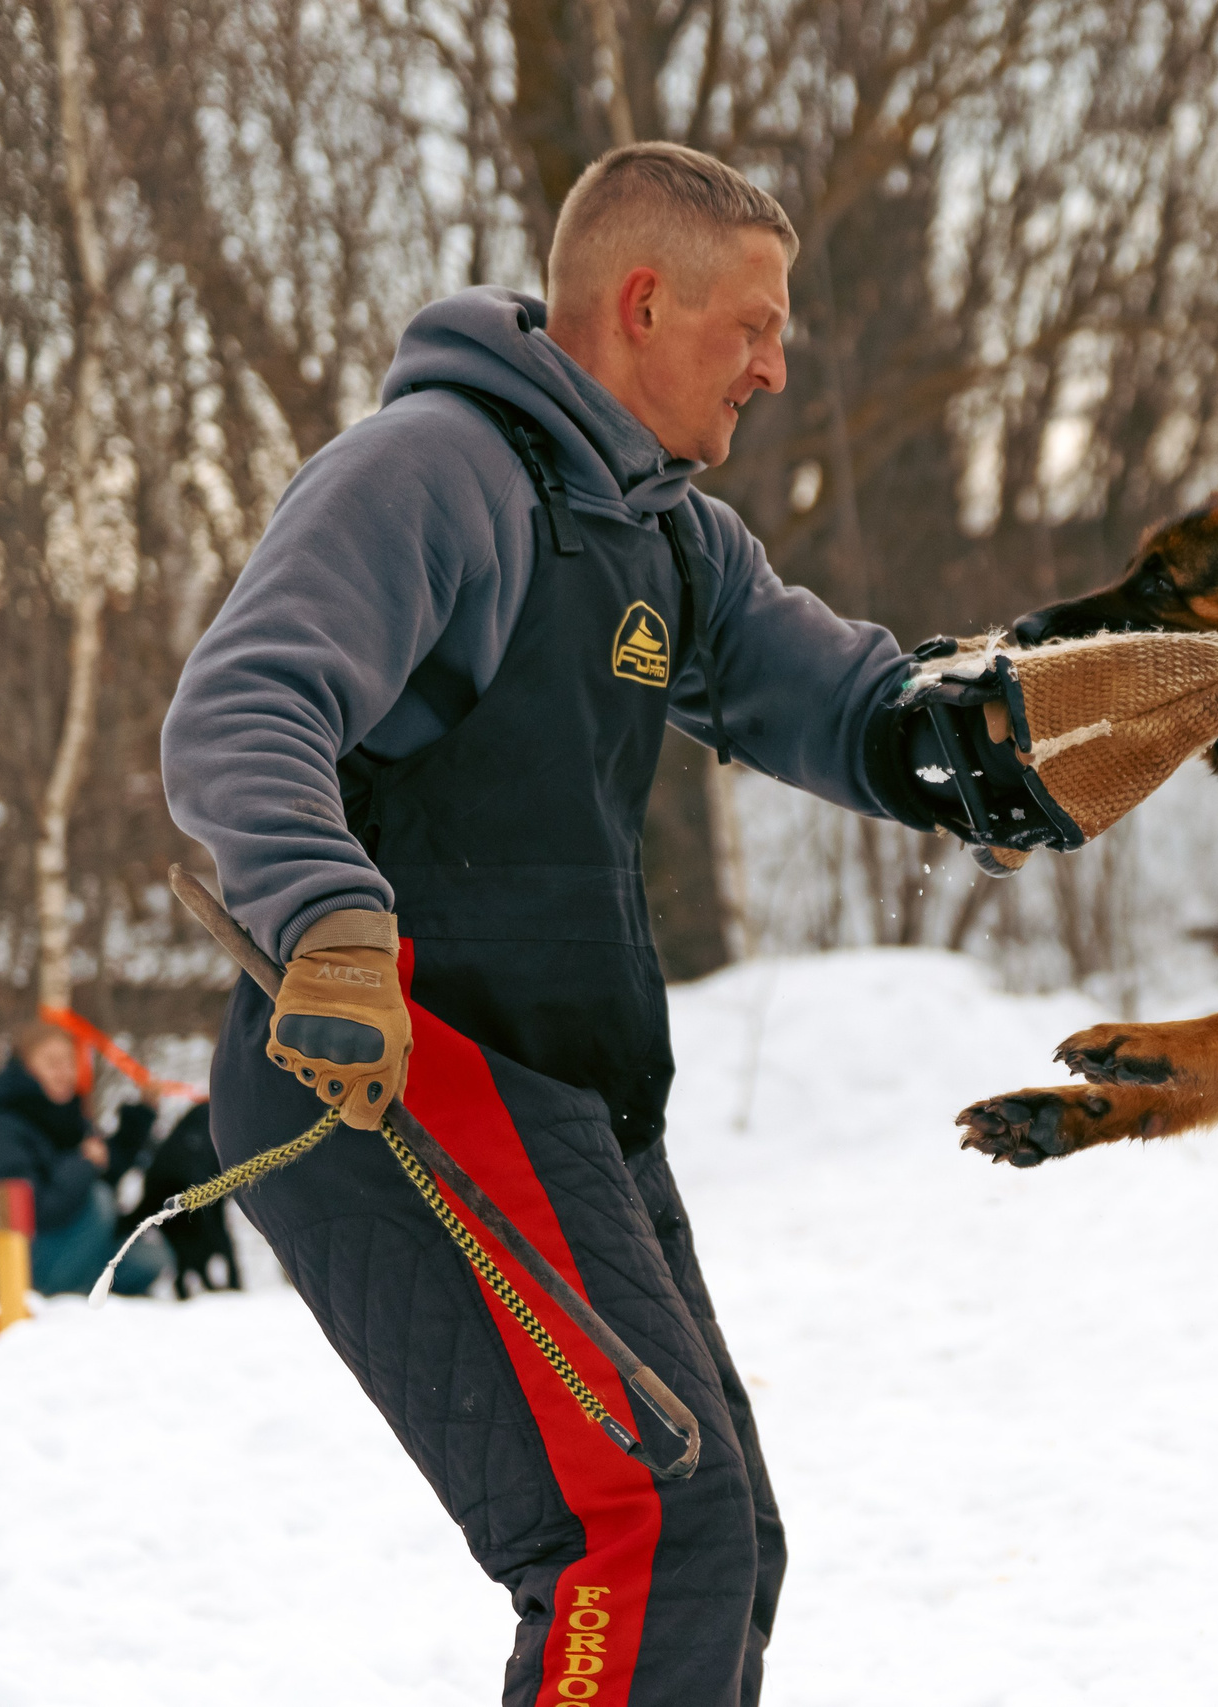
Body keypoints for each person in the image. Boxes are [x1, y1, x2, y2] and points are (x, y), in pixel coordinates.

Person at [161, 143, 1025, 1706]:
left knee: (722, 1529)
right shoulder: (434, 469)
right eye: (753, 325)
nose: (777, 363)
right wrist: (330, 923)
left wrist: (961, 739)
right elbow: (242, 704)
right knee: (639, 1525)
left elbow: (828, 693)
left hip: (554, 1097)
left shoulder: (661, 531)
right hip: (392, 1066)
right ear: (642, 302)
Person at [0, 1021, 165, 1299]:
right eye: (52, 1063)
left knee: (148, 1258)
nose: (65, 1072)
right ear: (25, 1068)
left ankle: (88, 1302)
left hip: (58, 1254)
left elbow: (105, 1170)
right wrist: (84, 1163)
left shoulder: (66, 1117)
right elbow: (34, 1210)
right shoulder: (4, 1130)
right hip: (5, 1270)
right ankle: (68, 1302)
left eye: (70, 1063)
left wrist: (140, 1118)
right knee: (99, 1201)